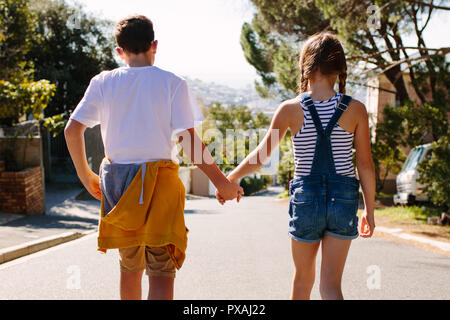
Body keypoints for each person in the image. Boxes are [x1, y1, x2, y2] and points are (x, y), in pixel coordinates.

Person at [64, 14, 243, 300]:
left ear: (119, 51)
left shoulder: (103, 82)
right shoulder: (172, 83)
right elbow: (188, 141)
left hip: (120, 188)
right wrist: (222, 182)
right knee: (161, 272)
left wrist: (86, 175)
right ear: (154, 45)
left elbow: (72, 130)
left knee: (129, 268)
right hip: (161, 187)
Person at [218, 31, 376, 300]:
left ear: (306, 67)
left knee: (302, 282)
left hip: (307, 201)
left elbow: (261, 155)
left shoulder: (290, 109)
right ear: (339, 68)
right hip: (343, 200)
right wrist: (369, 211)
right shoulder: (356, 109)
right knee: (331, 285)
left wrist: (230, 180)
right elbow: (365, 165)